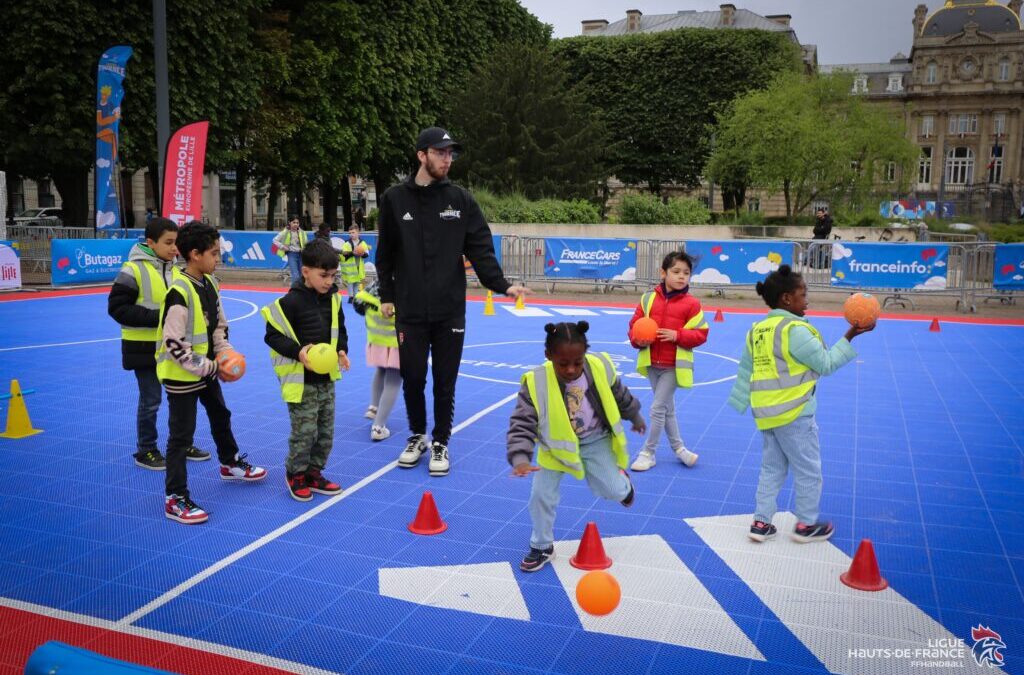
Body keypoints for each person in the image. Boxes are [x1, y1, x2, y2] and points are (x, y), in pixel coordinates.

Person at [375, 126, 529, 477]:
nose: (448, 159)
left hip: (449, 311)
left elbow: (481, 250)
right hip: (410, 309)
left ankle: (440, 441)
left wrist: (503, 286)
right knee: (413, 377)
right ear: (421, 155)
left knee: (446, 380)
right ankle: (417, 435)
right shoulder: (394, 199)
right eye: (441, 152)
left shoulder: (461, 200)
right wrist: (387, 295)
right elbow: (385, 255)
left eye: (451, 154)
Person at [728, 265, 873, 544]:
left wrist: (739, 401)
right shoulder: (795, 329)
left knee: (772, 469)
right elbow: (826, 364)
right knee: (808, 470)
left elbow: (746, 370)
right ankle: (806, 524)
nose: (807, 301)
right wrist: (851, 335)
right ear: (786, 299)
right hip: (794, 413)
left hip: (766, 414)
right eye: (803, 295)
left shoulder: (758, 330)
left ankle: (761, 522)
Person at [507, 322, 647, 572]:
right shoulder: (536, 381)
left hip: (595, 440)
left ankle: (623, 484)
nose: (571, 369)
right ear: (548, 355)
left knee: (614, 491)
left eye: (577, 362)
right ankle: (541, 546)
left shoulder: (599, 366)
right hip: (554, 448)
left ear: (585, 355)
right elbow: (522, 421)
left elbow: (619, 394)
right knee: (540, 496)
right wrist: (520, 456)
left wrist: (634, 415)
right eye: (563, 364)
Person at [157, 221, 267, 524]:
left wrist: (224, 354)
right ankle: (175, 497)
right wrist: (212, 366)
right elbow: (174, 345)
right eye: (214, 253)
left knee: (220, 414)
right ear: (195, 254)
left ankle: (229, 462)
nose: (218, 258)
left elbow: (219, 327)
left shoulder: (211, 283)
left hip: (206, 370)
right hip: (182, 375)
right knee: (181, 436)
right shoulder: (179, 293)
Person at [108, 217, 211, 470]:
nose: (175, 248)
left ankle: (183, 443)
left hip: (173, 350)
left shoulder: (177, 269)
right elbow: (117, 308)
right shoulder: (132, 269)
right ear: (150, 242)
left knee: (183, 399)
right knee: (151, 400)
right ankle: (146, 449)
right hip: (143, 349)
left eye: (176, 243)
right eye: (168, 243)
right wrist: (161, 318)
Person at [262, 238, 350, 501]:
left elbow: (340, 330)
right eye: (323, 275)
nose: (329, 281)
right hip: (301, 382)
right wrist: (298, 351)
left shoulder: (333, 300)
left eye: (333, 276)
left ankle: (314, 472)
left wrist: (342, 350)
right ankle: (296, 474)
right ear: (305, 272)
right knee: (304, 432)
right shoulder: (290, 303)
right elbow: (272, 336)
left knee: (325, 432)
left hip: (326, 379)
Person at [627, 251, 707, 471]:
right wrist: (638, 340)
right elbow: (634, 327)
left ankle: (648, 453)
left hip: (673, 365)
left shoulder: (692, 304)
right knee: (667, 410)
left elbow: (701, 334)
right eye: (676, 271)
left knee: (657, 408)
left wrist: (677, 335)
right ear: (663, 273)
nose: (682, 276)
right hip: (652, 362)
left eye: (686, 273)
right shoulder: (647, 299)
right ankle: (680, 449)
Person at [353, 281, 401, 442]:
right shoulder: (407, 284)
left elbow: (358, 304)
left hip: (376, 339)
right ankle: (378, 427)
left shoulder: (376, 285)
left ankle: (373, 407)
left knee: (380, 370)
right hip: (396, 343)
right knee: (393, 381)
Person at [339, 225, 371, 302]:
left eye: (353, 232)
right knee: (350, 282)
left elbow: (366, 254)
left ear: (358, 233)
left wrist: (362, 254)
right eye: (350, 233)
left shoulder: (363, 243)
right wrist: (353, 253)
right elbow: (344, 254)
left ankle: (356, 296)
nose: (351, 234)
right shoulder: (347, 243)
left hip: (358, 266)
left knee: (357, 281)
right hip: (350, 267)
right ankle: (351, 297)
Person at [274, 215, 307, 285]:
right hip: (291, 254)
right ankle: (295, 291)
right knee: (295, 274)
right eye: (294, 222)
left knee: (302, 274)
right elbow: (274, 240)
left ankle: (301, 290)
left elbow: (306, 244)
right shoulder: (285, 232)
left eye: (297, 223)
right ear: (289, 223)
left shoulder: (302, 233)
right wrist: (283, 247)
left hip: (301, 254)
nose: (296, 224)